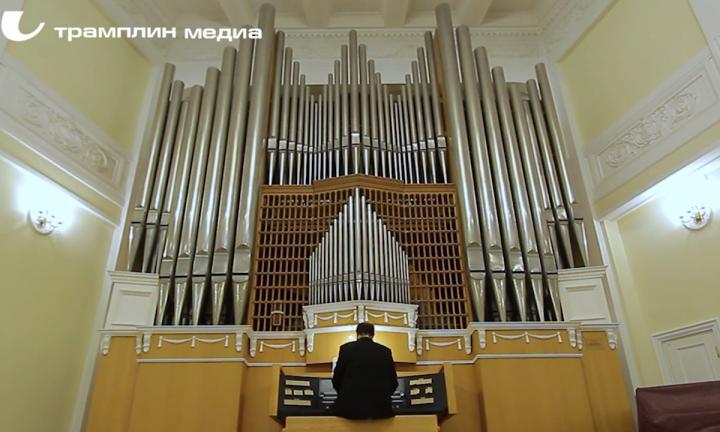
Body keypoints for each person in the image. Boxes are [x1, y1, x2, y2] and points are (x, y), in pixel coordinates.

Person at [331, 322, 399, 419]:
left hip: (350, 409)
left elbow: (336, 379)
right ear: (373, 334)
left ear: (357, 333)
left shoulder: (346, 349)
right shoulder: (385, 351)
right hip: (380, 409)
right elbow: (393, 382)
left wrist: (345, 394)